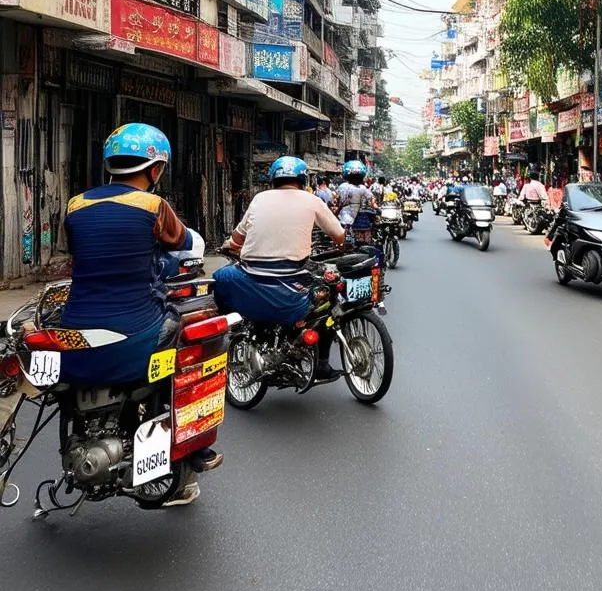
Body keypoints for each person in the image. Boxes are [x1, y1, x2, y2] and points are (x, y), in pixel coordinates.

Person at [61, 122, 219, 507]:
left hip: (74, 334)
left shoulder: (76, 205)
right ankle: (192, 446)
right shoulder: (154, 206)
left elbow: (81, 256)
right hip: (136, 333)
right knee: (195, 340)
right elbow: (187, 242)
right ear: (155, 169)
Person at [215, 156, 346, 382]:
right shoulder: (311, 199)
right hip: (291, 287)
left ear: (273, 180)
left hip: (251, 279)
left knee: (219, 277)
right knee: (327, 300)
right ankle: (321, 363)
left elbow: (237, 238)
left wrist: (231, 245)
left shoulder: (259, 199)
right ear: (303, 179)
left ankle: (223, 333)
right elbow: (339, 235)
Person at [336, 159, 377, 227]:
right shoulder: (362, 188)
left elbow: (337, 202)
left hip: (343, 220)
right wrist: (377, 209)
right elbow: (372, 201)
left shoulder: (342, 186)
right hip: (360, 222)